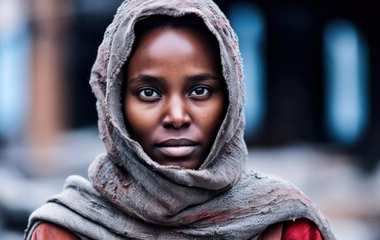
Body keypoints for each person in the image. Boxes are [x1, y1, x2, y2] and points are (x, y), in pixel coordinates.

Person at [25, 0, 336, 239]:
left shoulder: (284, 225)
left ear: (231, 98)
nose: (176, 116)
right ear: (115, 104)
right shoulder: (64, 230)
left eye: (200, 90)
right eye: (148, 93)